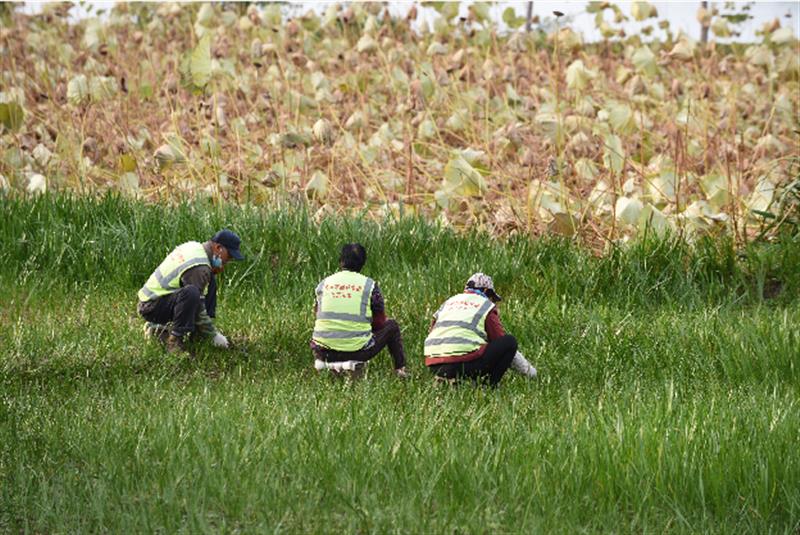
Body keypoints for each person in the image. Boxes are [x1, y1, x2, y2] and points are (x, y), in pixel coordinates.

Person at [137, 229, 244, 355]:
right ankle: (174, 341)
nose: (228, 261)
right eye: (229, 256)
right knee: (192, 294)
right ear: (218, 248)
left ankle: (160, 330)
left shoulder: (194, 247)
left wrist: (210, 274)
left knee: (206, 285)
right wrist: (214, 335)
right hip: (152, 307)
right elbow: (197, 305)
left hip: (152, 300)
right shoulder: (200, 268)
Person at [311, 243, 409, 378]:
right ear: (363, 263)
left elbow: (317, 315)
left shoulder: (324, 283)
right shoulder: (369, 286)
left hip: (322, 351)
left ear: (340, 261)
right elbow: (379, 323)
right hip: (355, 351)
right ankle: (401, 370)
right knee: (392, 326)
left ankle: (330, 368)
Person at [424, 273, 537, 387]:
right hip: (463, 365)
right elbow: (501, 341)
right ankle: (488, 386)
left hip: (434, 364)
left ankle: (448, 379)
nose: (493, 302)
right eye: (493, 298)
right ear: (487, 291)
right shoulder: (485, 305)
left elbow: (432, 331)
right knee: (509, 342)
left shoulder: (448, 302)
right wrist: (530, 372)